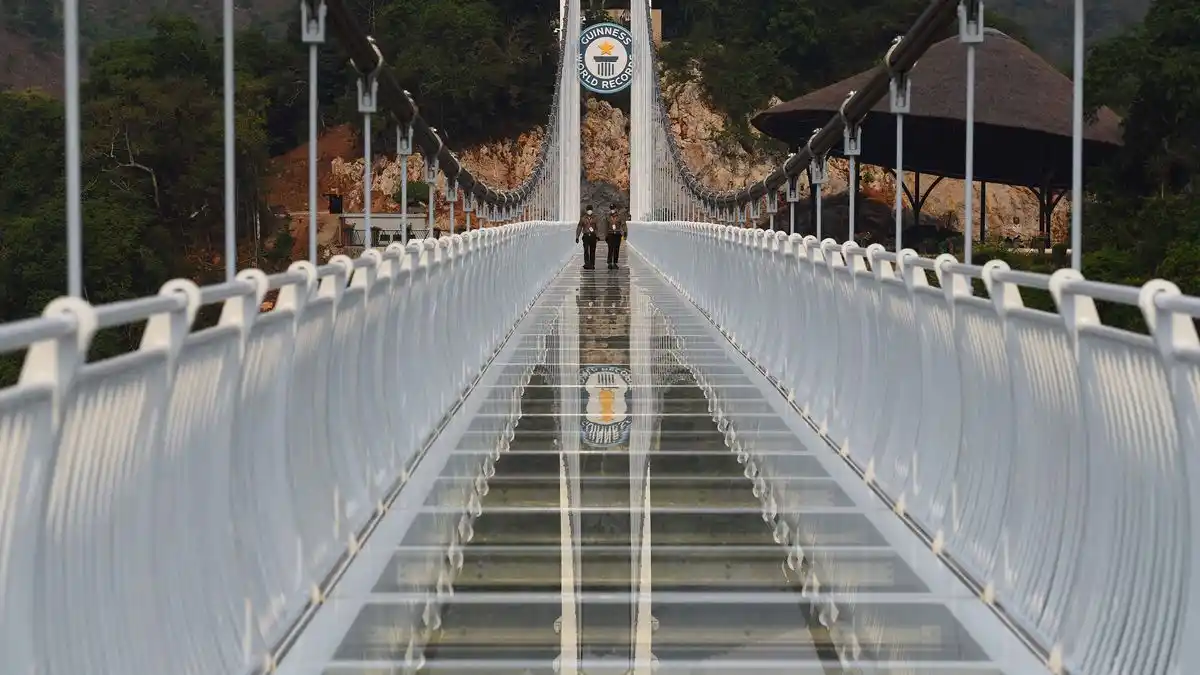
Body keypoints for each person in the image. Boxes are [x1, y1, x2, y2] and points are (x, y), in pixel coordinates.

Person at [576, 205, 599, 269]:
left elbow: (597, 227)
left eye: (590, 210)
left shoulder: (595, 218)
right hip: (586, 236)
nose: (589, 211)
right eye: (588, 210)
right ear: (586, 211)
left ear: (592, 210)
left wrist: (597, 236)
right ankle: (587, 263)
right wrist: (577, 237)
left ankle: (592, 264)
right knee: (586, 250)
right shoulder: (583, 218)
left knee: (592, 250)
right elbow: (579, 227)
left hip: (593, 236)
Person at [605, 205, 625, 269]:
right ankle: (609, 262)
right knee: (610, 248)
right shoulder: (608, 216)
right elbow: (605, 226)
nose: (612, 210)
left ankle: (615, 263)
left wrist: (624, 232)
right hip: (610, 234)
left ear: (616, 209)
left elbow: (623, 224)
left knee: (616, 248)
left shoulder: (620, 216)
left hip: (617, 234)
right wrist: (606, 235)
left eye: (613, 208)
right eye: (611, 209)